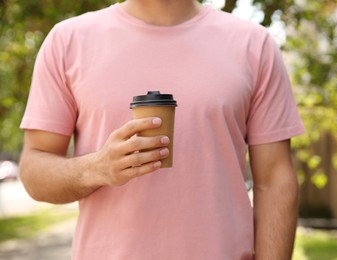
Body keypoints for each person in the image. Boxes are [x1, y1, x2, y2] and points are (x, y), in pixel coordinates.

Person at [19, 0, 305, 259]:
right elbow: (34, 169)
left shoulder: (254, 45)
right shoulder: (68, 41)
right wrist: (97, 168)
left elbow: (275, 179)